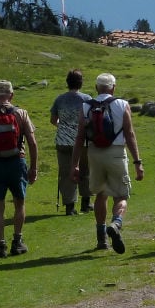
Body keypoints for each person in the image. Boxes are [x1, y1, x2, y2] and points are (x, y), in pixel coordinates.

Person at [72, 73, 143, 253]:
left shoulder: (86, 106)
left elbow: (80, 136)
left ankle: (101, 238)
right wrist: (137, 161)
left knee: (100, 194)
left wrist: (75, 164)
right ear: (113, 87)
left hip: (94, 153)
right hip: (116, 152)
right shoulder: (122, 104)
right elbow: (130, 134)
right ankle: (116, 223)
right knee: (121, 196)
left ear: (96, 88)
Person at [0, 80, 39, 257]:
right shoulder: (21, 113)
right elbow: (32, 143)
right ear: (11, 95)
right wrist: (33, 168)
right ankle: (17, 241)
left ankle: (0, 245)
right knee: (19, 204)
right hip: (17, 162)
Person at [50, 69, 92, 215]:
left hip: (63, 141)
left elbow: (53, 120)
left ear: (67, 82)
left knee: (66, 173)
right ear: (81, 83)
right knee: (85, 171)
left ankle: (69, 206)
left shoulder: (59, 99)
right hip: (82, 142)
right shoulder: (87, 99)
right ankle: (86, 203)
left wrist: (64, 125)